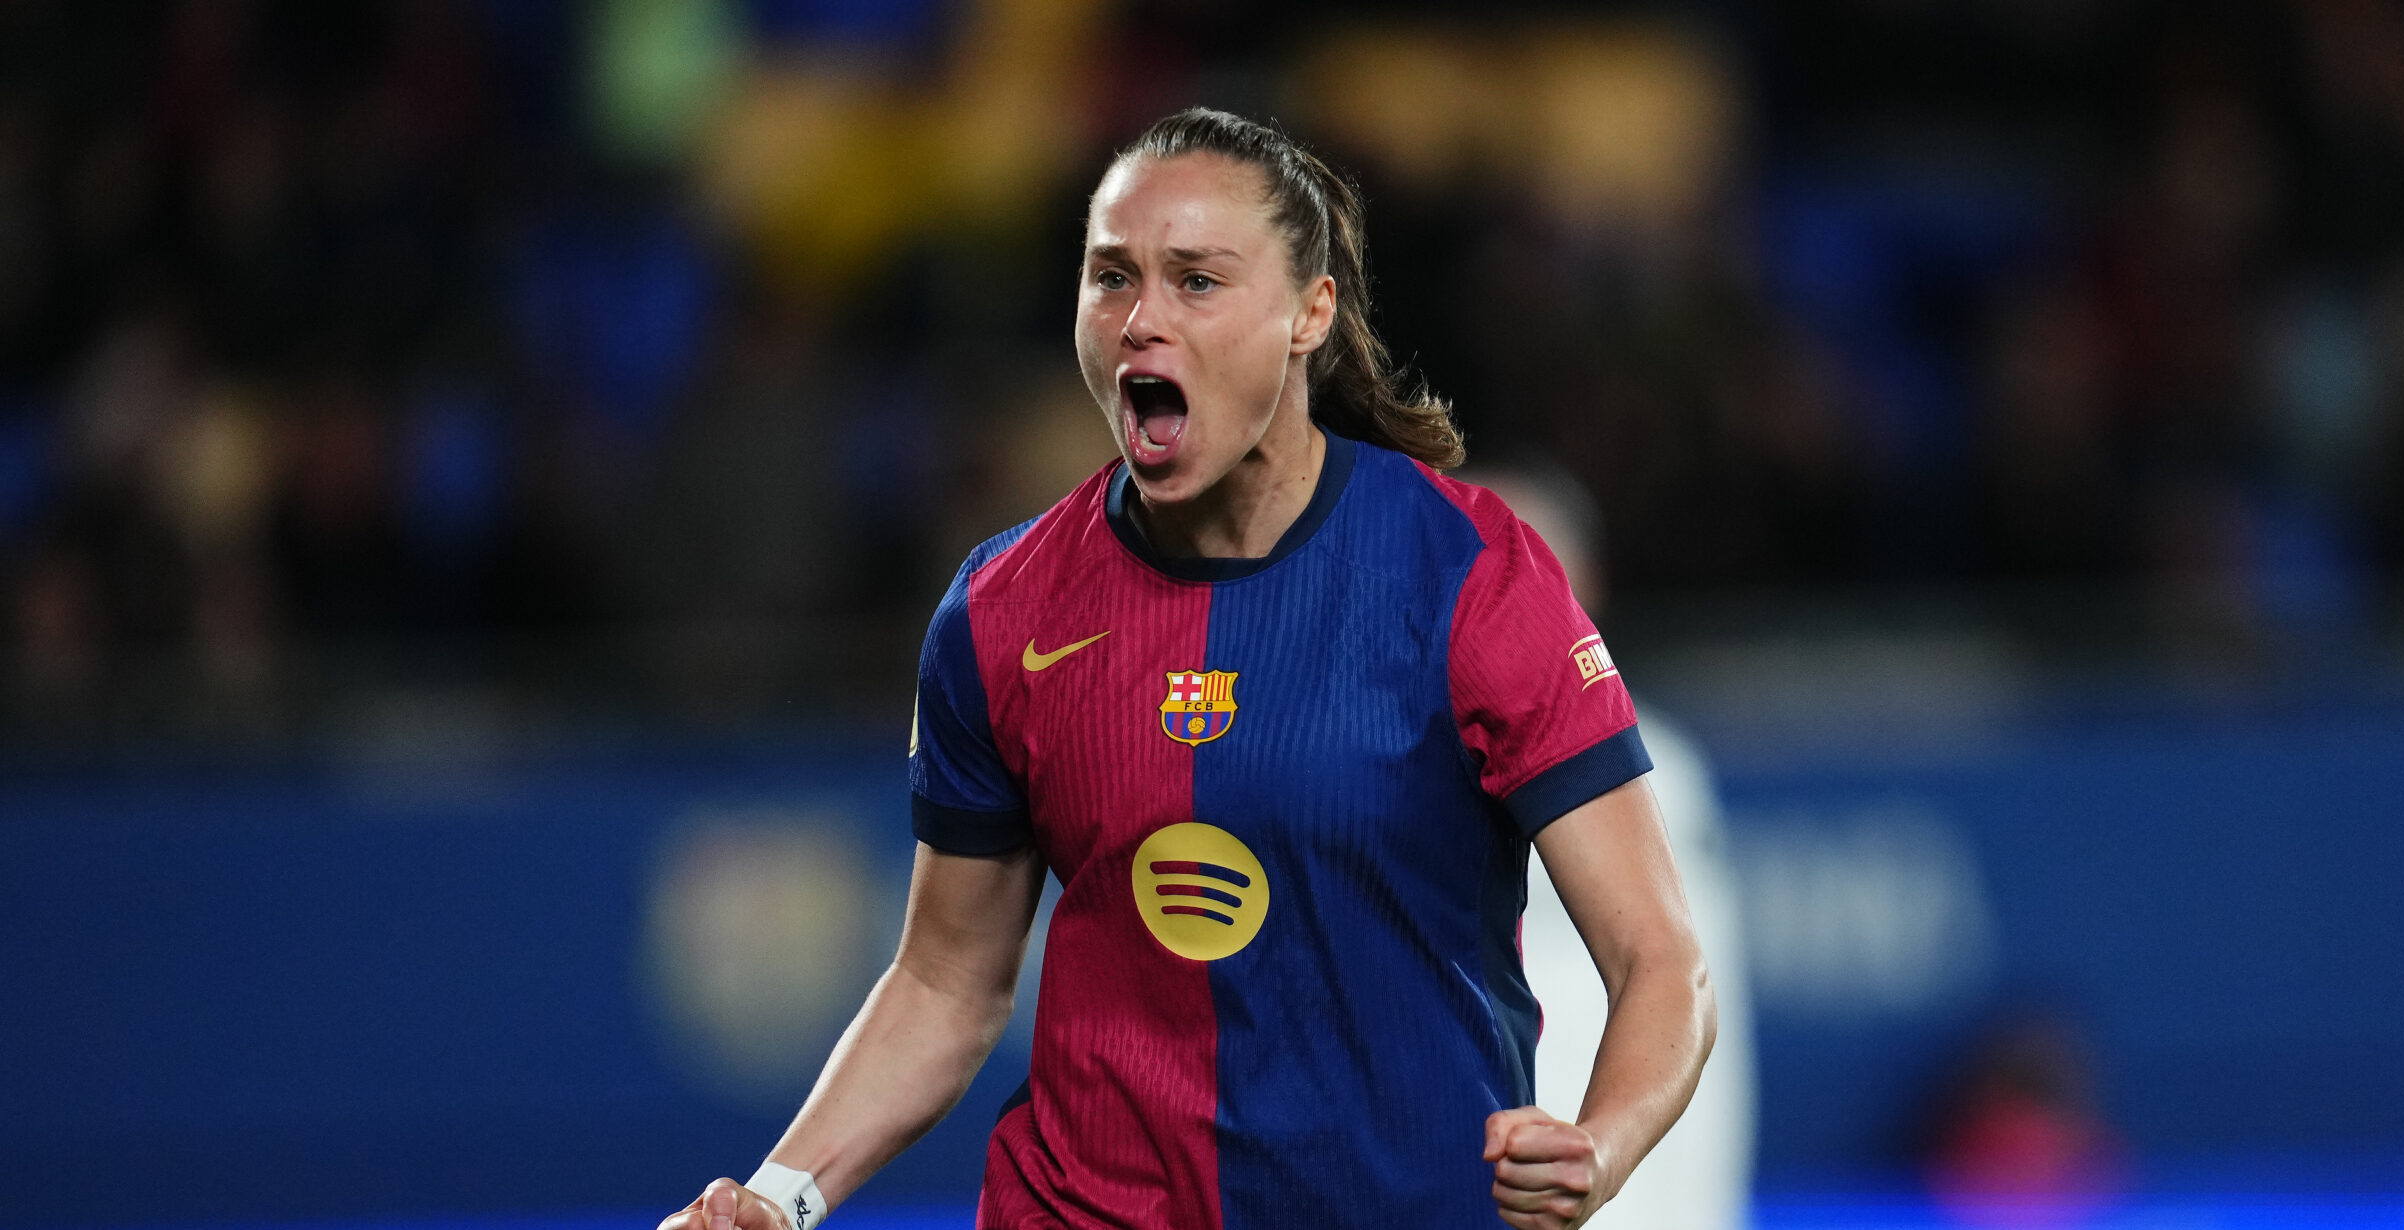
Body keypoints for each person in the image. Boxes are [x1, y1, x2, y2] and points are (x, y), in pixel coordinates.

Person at [658, 108, 1714, 1230]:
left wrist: (1597, 1148)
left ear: (1311, 313)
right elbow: (944, 980)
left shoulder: (1467, 573)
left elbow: (1660, 959)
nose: (1139, 321)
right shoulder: (1000, 611)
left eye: (1195, 281)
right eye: (1110, 277)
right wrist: (780, 1195)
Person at [1475, 464, 1758, 1230]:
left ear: (1584, 584)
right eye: (1477, 571)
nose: (1502, 598)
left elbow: (1683, 1001)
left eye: (1528, 565)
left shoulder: (1655, 767)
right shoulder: (1398, 755)